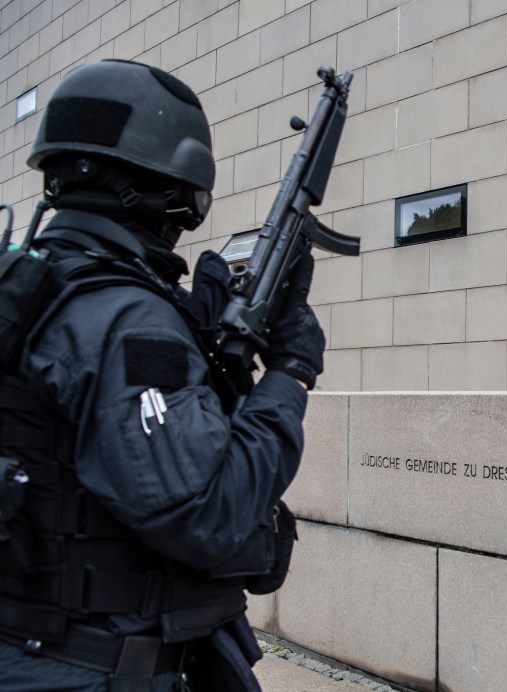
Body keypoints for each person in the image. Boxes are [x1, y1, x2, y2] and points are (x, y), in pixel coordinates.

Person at [0, 60, 324, 690]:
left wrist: (206, 358)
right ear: (170, 186)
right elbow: (209, 512)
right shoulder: (127, 317)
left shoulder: (33, 284)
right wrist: (290, 371)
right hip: (97, 668)